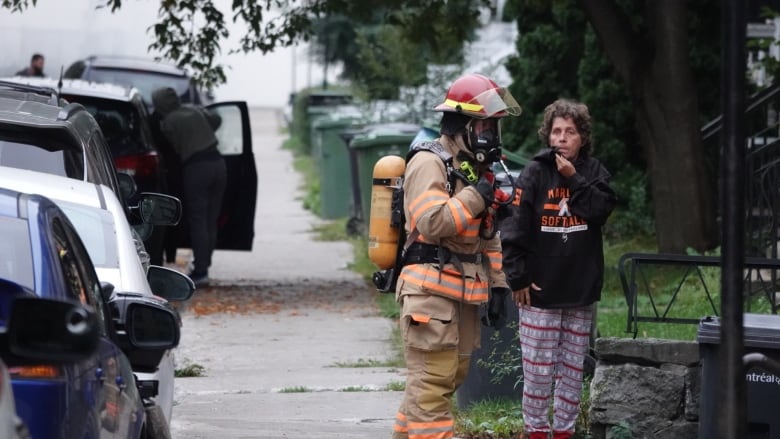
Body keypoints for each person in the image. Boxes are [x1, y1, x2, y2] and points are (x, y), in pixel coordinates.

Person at [391, 73, 521, 439]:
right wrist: (476, 195)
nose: (491, 136)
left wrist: (497, 286)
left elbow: (488, 233)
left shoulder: (473, 169)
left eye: (494, 127)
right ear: (461, 126)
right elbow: (432, 223)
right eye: (484, 126)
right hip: (429, 293)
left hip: (463, 294)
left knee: (443, 381)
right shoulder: (428, 163)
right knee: (431, 385)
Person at [500, 99, 617, 439]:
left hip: (579, 290)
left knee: (571, 370)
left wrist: (574, 178)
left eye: (570, 131)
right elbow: (514, 227)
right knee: (538, 371)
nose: (562, 138)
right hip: (539, 289)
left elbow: (599, 211)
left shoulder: (595, 172)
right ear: (548, 135)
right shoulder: (535, 172)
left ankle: (564, 432)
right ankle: (536, 431)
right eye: (556, 131)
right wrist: (517, 276)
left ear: (582, 137)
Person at [151, 86, 224, 287]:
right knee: (210, 219)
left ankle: (201, 271)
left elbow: (170, 147)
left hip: (197, 167)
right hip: (218, 162)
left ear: (159, 104)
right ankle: (204, 264)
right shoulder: (193, 110)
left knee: (198, 220)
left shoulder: (168, 123)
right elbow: (217, 119)